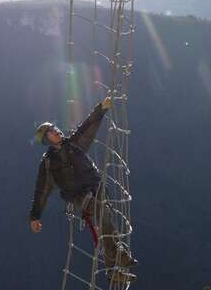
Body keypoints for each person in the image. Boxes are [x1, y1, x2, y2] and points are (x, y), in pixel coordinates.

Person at [30, 97, 137, 283]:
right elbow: (41, 191)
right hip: (79, 196)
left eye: (54, 129)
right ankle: (117, 254)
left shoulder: (74, 143)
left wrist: (101, 108)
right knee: (102, 213)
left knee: (106, 221)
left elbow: (88, 125)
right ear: (47, 141)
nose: (56, 131)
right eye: (51, 132)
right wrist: (35, 216)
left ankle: (114, 269)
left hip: (96, 186)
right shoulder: (48, 163)